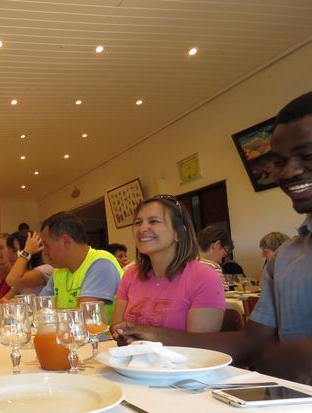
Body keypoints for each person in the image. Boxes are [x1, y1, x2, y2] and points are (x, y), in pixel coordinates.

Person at [113, 91, 312, 384]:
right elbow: (250, 342)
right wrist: (156, 335)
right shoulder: (285, 258)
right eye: (280, 162)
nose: (291, 171)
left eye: (307, 155)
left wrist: (279, 357)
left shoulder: (204, 275)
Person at [112, 195, 225, 334]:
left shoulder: (205, 278)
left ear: (178, 233)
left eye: (153, 221)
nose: (142, 228)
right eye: (138, 222)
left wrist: (142, 331)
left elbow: (199, 344)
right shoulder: (130, 274)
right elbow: (118, 332)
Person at [39, 211, 122, 319]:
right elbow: (40, 310)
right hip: (68, 330)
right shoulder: (59, 271)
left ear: (65, 241)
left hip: (100, 331)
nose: (44, 252)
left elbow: (84, 317)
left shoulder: (102, 263)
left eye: (46, 246)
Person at [3, 230, 53, 299]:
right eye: (8, 250)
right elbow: (2, 302)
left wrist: (27, 251)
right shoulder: (21, 274)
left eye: (15, 251)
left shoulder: (46, 269)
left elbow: (11, 280)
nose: (9, 255)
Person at [196, 225, 233, 289]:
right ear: (217, 245)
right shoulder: (213, 267)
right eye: (223, 255)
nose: (220, 261)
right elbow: (222, 293)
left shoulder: (186, 265)